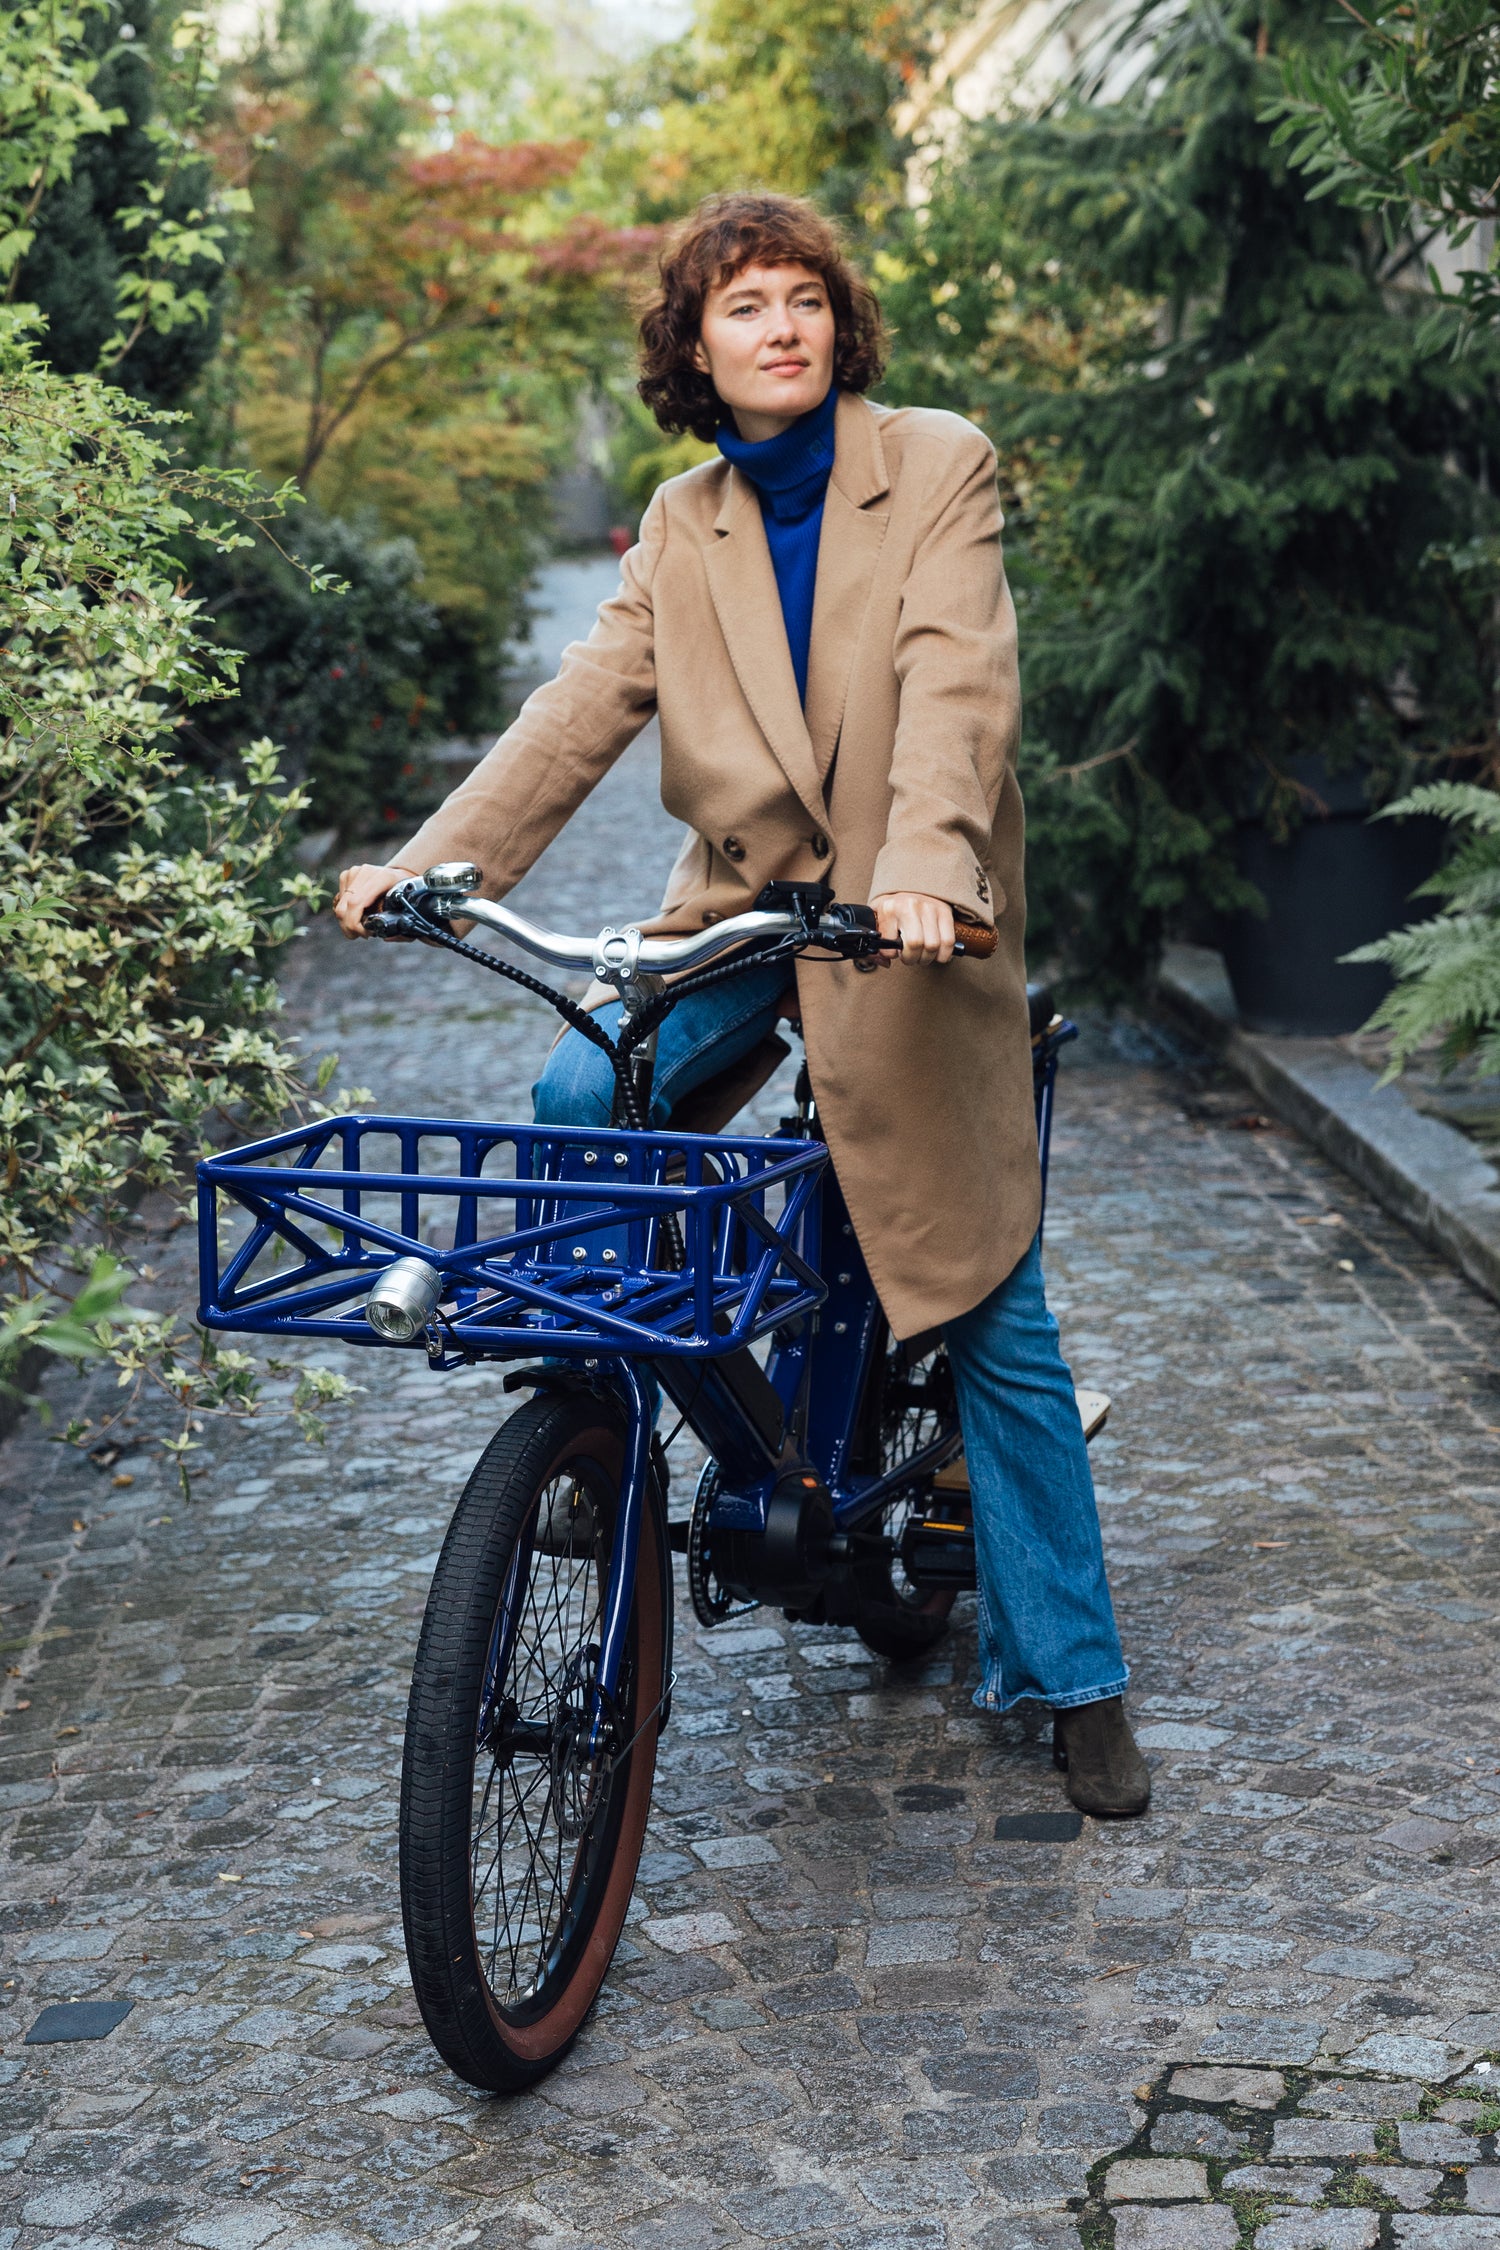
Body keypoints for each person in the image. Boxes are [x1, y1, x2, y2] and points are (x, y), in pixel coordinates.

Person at [336, 191, 1149, 1819]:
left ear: (839, 324)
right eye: (741, 306)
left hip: (909, 917)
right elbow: (580, 710)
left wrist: (927, 865)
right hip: (748, 906)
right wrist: (436, 862)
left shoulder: (934, 463)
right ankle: (603, 1423)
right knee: (584, 1101)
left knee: (978, 1282)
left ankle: (1076, 1676)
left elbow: (957, 679)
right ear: (694, 347)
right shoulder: (683, 518)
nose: (780, 325)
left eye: (802, 299)